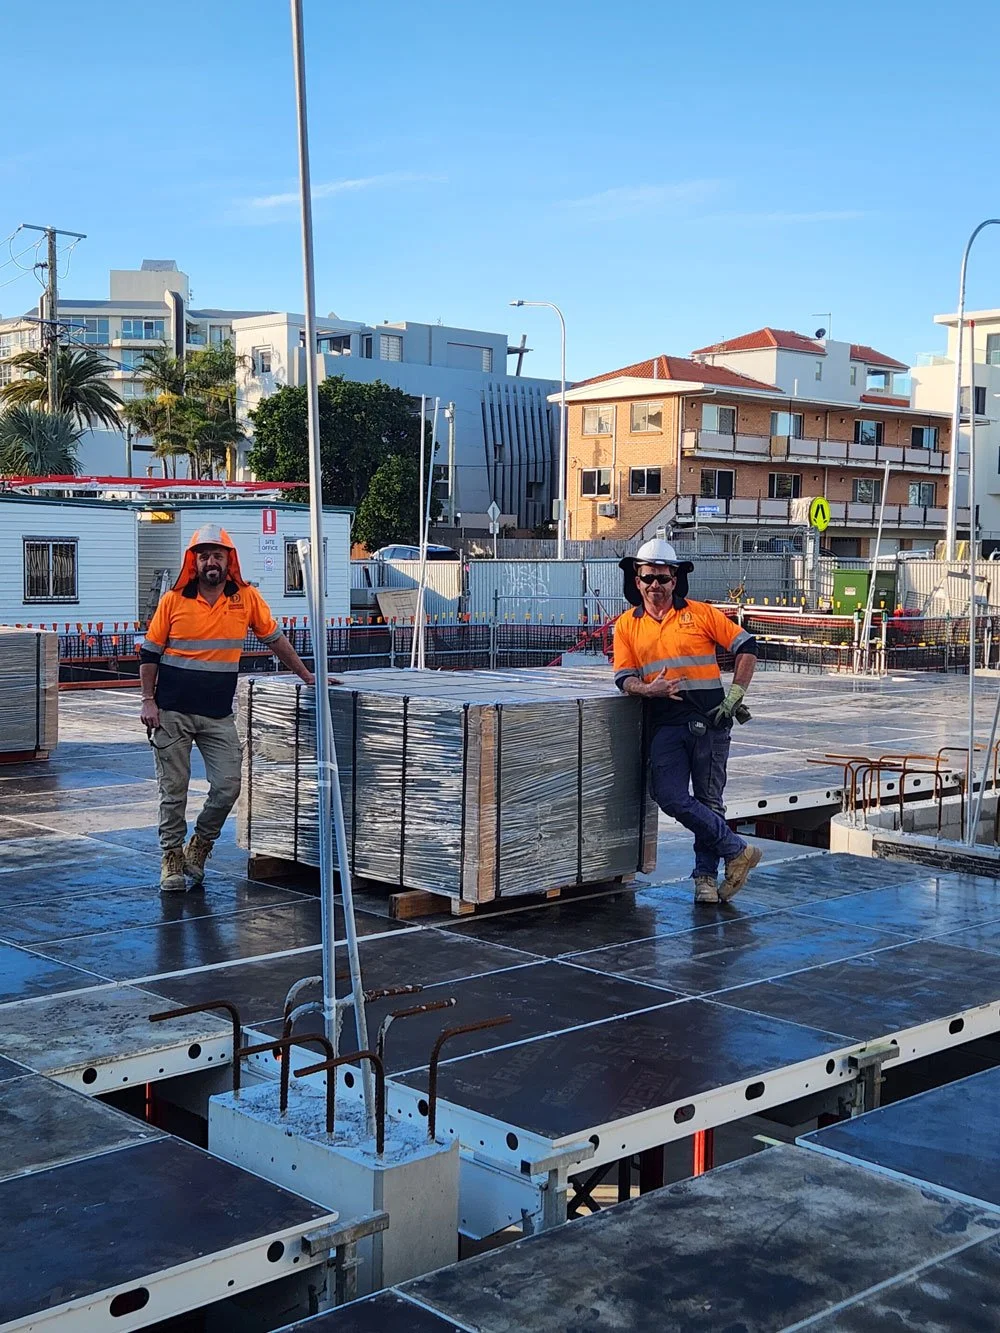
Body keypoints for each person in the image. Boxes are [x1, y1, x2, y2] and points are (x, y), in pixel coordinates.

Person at [139, 524, 319, 893]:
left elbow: (274, 638)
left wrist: (307, 675)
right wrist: (148, 701)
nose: (211, 562)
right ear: (194, 561)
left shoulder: (246, 598)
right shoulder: (174, 600)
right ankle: (171, 858)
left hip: (218, 714)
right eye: (203, 555)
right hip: (172, 712)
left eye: (217, 555)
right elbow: (149, 655)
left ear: (228, 560)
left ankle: (200, 847)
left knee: (228, 786)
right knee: (174, 790)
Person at [614, 539, 761, 904]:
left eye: (663, 578)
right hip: (664, 722)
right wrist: (649, 690)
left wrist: (736, 693)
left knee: (710, 800)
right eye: (648, 578)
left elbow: (747, 646)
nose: (655, 586)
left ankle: (705, 880)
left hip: (711, 721)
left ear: (675, 579)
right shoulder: (627, 625)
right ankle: (736, 850)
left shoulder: (700, 614)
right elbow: (623, 678)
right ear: (637, 580)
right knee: (669, 796)